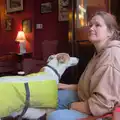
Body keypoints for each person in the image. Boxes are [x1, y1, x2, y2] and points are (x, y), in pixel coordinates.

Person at [47, 11, 120, 120]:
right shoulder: (99, 53)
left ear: (110, 31)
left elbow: (101, 105)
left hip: (104, 113)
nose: (91, 28)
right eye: (90, 25)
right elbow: (90, 86)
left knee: (55, 116)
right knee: (52, 97)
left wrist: (72, 106)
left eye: (97, 25)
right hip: (88, 99)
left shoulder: (111, 56)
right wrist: (65, 86)